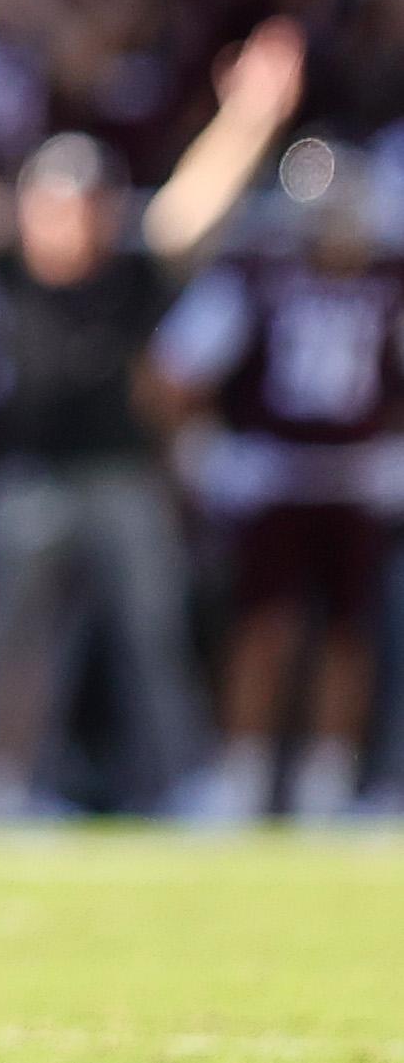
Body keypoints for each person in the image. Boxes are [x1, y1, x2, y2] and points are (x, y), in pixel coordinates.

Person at [0, 3, 303, 818]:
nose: (70, 219)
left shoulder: (130, 274)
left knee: (150, 637)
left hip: (119, 474)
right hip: (26, 472)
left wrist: (250, 114)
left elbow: (195, 202)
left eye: (85, 203)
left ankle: (187, 786)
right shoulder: (6, 267)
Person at [152, 135, 404, 821]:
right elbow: (171, 373)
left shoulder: (387, 277)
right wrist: (200, 453)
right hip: (273, 478)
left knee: (346, 636)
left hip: (355, 481)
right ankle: (242, 777)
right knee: (265, 628)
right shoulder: (256, 273)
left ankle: (326, 784)